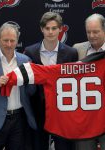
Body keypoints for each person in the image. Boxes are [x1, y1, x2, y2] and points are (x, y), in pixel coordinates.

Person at [24, 11, 78, 150]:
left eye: (54, 28)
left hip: (62, 112)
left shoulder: (71, 53)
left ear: (60, 29)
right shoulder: (30, 52)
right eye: (47, 28)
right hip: (38, 111)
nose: (50, 32)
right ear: (41, 29)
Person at [73, 13, 105, 150]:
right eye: (88, 32)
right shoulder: (77, 49)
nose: (92, 36)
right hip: (85, 118)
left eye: (96, 31)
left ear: (104, 30)